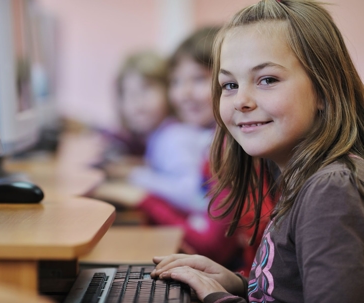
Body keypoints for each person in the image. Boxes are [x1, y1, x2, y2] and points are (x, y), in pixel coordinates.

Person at [150, 0, 364, 302]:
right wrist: (239, 284)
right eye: (229, 85)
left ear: (324, 90)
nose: (241, 101)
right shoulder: (297, 177)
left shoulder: (331, 189)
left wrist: (218, 299)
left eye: (267, 80)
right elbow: (294, 290)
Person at [93, 27, 244, 268]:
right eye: (175, 81)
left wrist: (142, 196)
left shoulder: (226, 149)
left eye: (198, 79)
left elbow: (211, 244)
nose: (183, 93)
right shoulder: (213, 142)